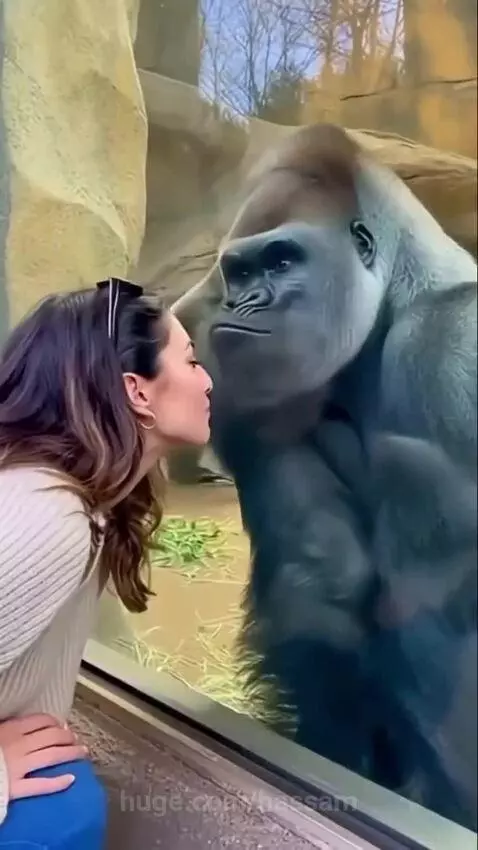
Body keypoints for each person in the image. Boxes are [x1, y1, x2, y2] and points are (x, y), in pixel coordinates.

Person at [0, 278, 213, 829]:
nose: (208, 381)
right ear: (138, 392)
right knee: (64, 813)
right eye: (191, 363)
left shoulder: (83, 500)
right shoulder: (46, 517)